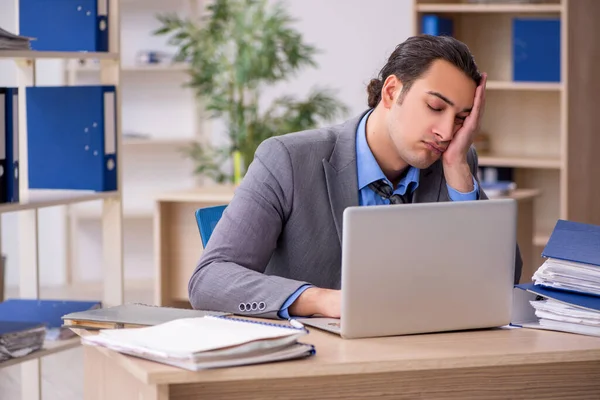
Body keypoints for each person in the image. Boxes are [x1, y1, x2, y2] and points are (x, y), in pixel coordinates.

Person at [188, 34, 523, 320]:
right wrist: (323, 300)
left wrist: (459, 172)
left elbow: (504, 280)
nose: (446, 131)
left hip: (422, 356)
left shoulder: (454, 164)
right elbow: (209, 280)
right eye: (436, 108)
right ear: (392, 92)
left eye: (462, 118)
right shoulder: (288, 160)